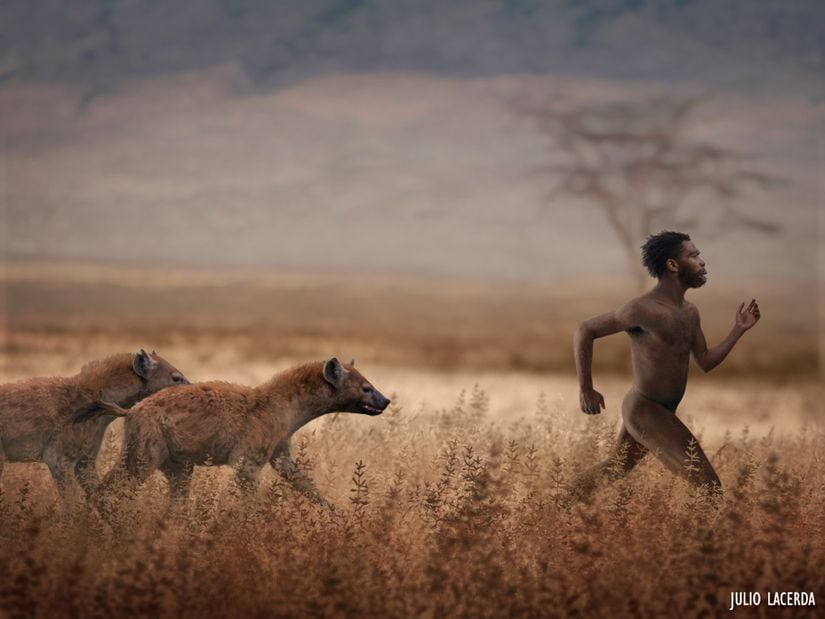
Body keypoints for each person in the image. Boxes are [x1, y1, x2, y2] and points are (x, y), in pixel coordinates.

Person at [572, 230, 760, 497]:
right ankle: (701, 540)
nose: (702, 262)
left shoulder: (690, 312)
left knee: (615, 468)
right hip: (645, 408)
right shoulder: (642, 309)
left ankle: (551, 507)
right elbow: (585, 329)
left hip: (662, 409)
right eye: (693, 255)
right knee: (709, 488)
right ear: (673, 265)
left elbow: (705, 361)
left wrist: (738, 330)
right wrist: (586, 389)